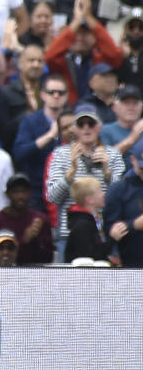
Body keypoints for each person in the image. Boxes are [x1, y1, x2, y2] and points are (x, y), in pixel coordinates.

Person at [46, 103, 125, 258]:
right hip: (69, 234)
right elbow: (52, 197)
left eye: (91, 124)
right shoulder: (60, 155)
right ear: (74, 129)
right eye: (81, 124)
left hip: (105, 233)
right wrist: (69, 175)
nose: (86, 128)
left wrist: (107, 172)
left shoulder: (113, 155)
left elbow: (120, 196)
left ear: (99, 127)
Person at [46, 0, 124, 106]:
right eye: (77, 33)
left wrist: (88, 16)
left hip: (100, 110)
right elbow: (49, 57)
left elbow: (115, 55)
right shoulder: (63, 61)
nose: (80, 38)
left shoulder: (100, 59)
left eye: (85, 33)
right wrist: (76, 22)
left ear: (94, 36)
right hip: (69, 110)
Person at [13, 74, 71, 210]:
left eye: (61, 93)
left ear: (67, 96)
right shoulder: (30, 121)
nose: (56, 96)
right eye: (51, 92)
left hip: (68, 191)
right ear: (43, 95)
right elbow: (19, 154)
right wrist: (50, 135)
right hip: (36, 192)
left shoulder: (73, 121)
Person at [0, 173, 55, 265]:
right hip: (4, 271)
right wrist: (24, 240)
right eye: (16, 192)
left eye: (24, 191)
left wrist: (38, 240)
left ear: (30, 193)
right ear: (7, 194)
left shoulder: (40, 220)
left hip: (36, 273)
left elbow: (48, 258)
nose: (20, 196)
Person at [103, 141, 143, 266]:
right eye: (142, 168)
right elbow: (109, 229)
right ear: (132, 160)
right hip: (131, 262)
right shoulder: (120, 190)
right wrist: (133, 225)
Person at [64, 176, 112, 263]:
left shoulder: (93, 220)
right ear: (90, 200)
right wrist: (112, 239)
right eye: (100, 191)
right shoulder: (82, 226)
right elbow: (90, 256)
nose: (103, 194)